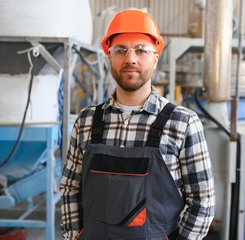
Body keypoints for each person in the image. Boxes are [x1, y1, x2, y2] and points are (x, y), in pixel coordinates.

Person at [60, 9, 215, 240]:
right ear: (109, 56)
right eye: (120, 50)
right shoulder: (86, 121)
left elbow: (203, 201)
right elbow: (71, 189)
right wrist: (74, 236)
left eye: (141, 50)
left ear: (155, 57)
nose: (130, 58)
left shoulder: (182, 123)